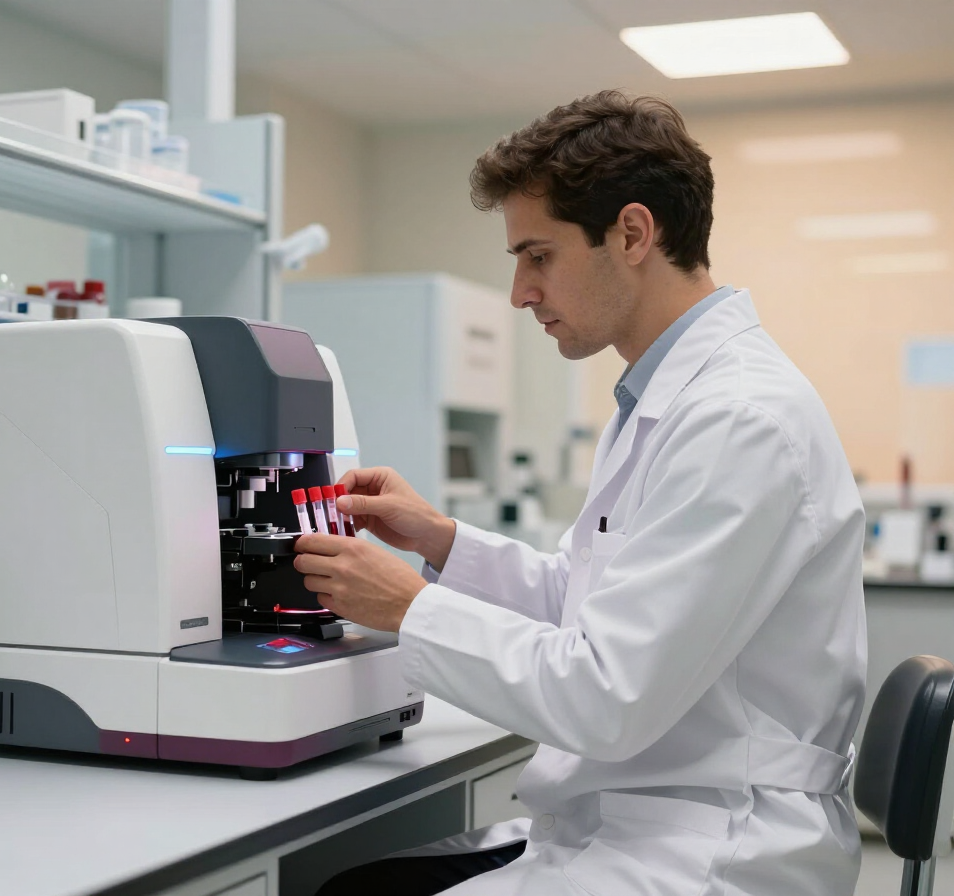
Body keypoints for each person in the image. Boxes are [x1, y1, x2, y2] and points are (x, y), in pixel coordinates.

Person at [294, 90, 866, 896]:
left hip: (712, 844)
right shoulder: (661, 401)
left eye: (538, 255)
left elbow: (606, 697)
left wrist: (406, 608)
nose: (522, 292)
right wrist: (440, 542)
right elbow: (582, 599)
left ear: (632, 233)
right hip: (636, 814)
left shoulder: (737, 418)